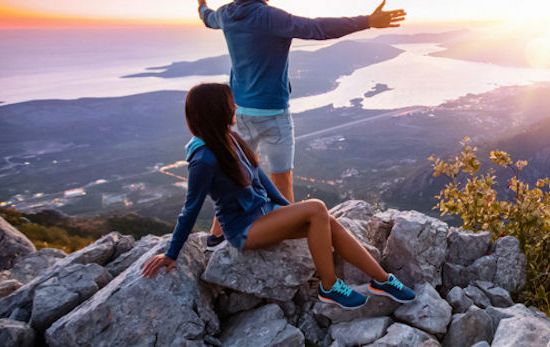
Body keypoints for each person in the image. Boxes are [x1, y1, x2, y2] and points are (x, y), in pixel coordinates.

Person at [141, 83, 415, 309]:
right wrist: (171, 253)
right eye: (230, 103)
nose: (235, 107)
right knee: (317, 207)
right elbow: (190, 209)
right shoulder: (203, 158)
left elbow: (260, 176)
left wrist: (289, 212)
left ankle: (381, 279)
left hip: (266, 215)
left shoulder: (230, 137)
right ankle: (329, 287)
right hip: (244, 230)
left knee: (325, 220)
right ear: (217, 110)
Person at [196, 0, 406, 248]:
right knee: (282, 179)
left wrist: (201, 7)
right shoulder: (272, 17)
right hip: (274, 115)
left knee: (234, 174)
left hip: (239, 113)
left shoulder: (226, 14)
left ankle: (216, 236)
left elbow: (208, 18)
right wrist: (368, 21)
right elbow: (317, 28)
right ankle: (289, 239)